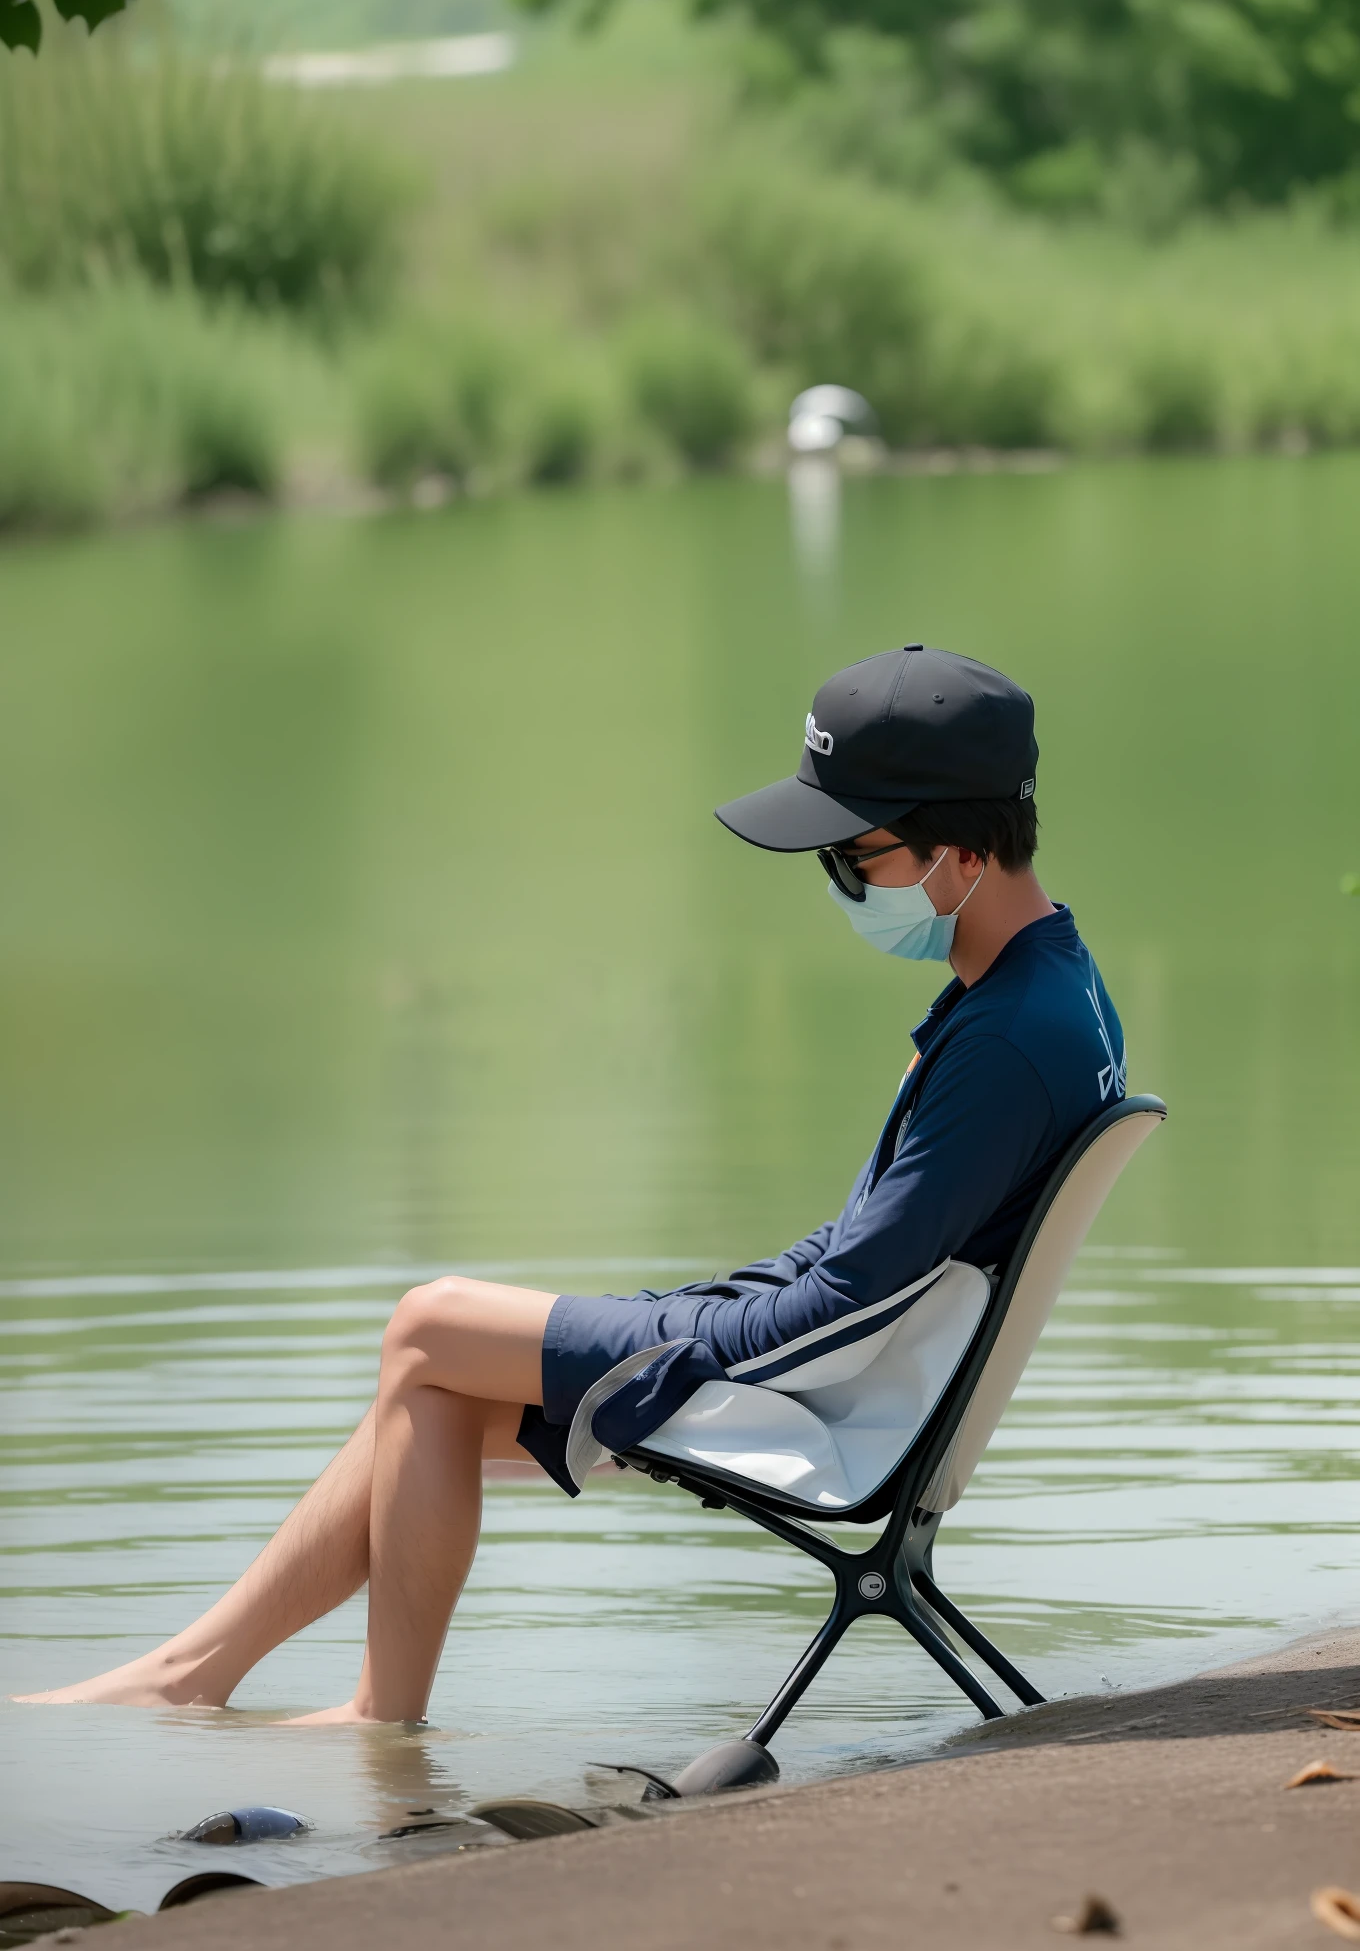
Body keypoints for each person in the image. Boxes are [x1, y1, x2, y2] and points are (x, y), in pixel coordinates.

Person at [17, 644, 1124, 1725]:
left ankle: (371, 1729)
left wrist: (665, 1328)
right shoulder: (1046, 988)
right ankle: (199, 1671)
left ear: (961, 856)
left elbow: (843, 1307)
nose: (834, 882)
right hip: (866, 1380)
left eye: (851, 856)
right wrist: (666, 1310)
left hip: (842, 1408)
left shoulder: (1004, 1043)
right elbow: (862, 1257)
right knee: (437, 1383)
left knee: (428, 1320)